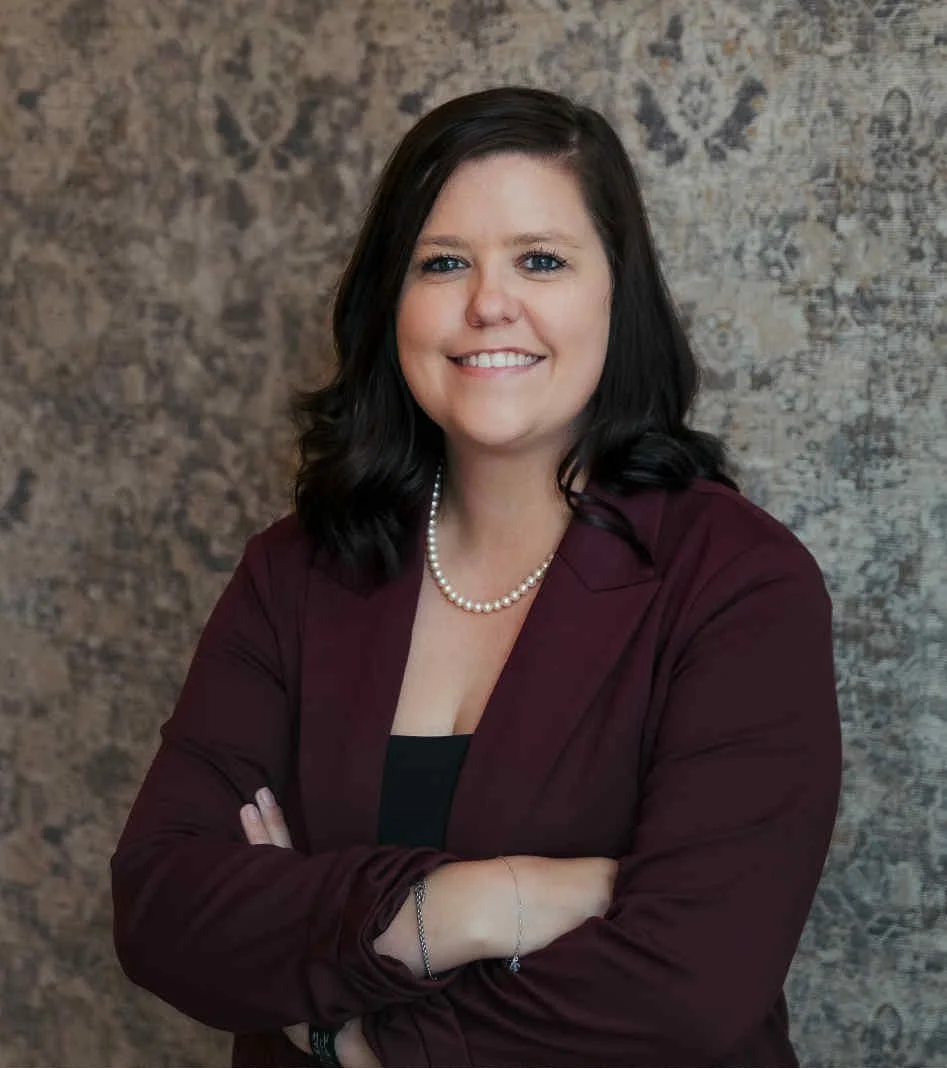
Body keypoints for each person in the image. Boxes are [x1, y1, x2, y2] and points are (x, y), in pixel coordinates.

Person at [111, 86, 841, 1068]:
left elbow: (681, 995)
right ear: (391, 303)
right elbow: (160, 906)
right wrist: (462, 908)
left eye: (539, 260)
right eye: (442, 263)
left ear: (616, 296)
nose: (488, 301)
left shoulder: (739, 584)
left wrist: (347, 1038)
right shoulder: (292, 571)